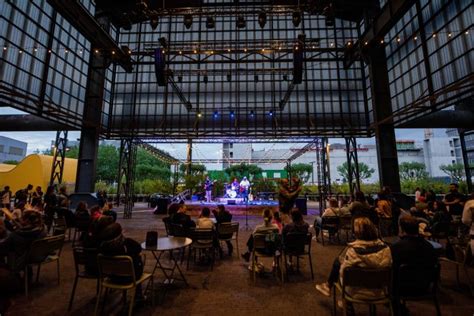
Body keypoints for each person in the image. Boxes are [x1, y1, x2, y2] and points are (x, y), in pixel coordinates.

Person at [315, 217, 392, 298]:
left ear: (356, 234)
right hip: (380, 291)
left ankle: (330, 288)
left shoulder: (353, 252)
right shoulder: (387, 250)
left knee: (339, 261)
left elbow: (343, 273)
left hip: (354, 291)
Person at [390, 215, 438, 315]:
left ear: (402, 230)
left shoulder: (396, 248)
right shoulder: (430, 247)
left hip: (401, 289)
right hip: (425, 286)